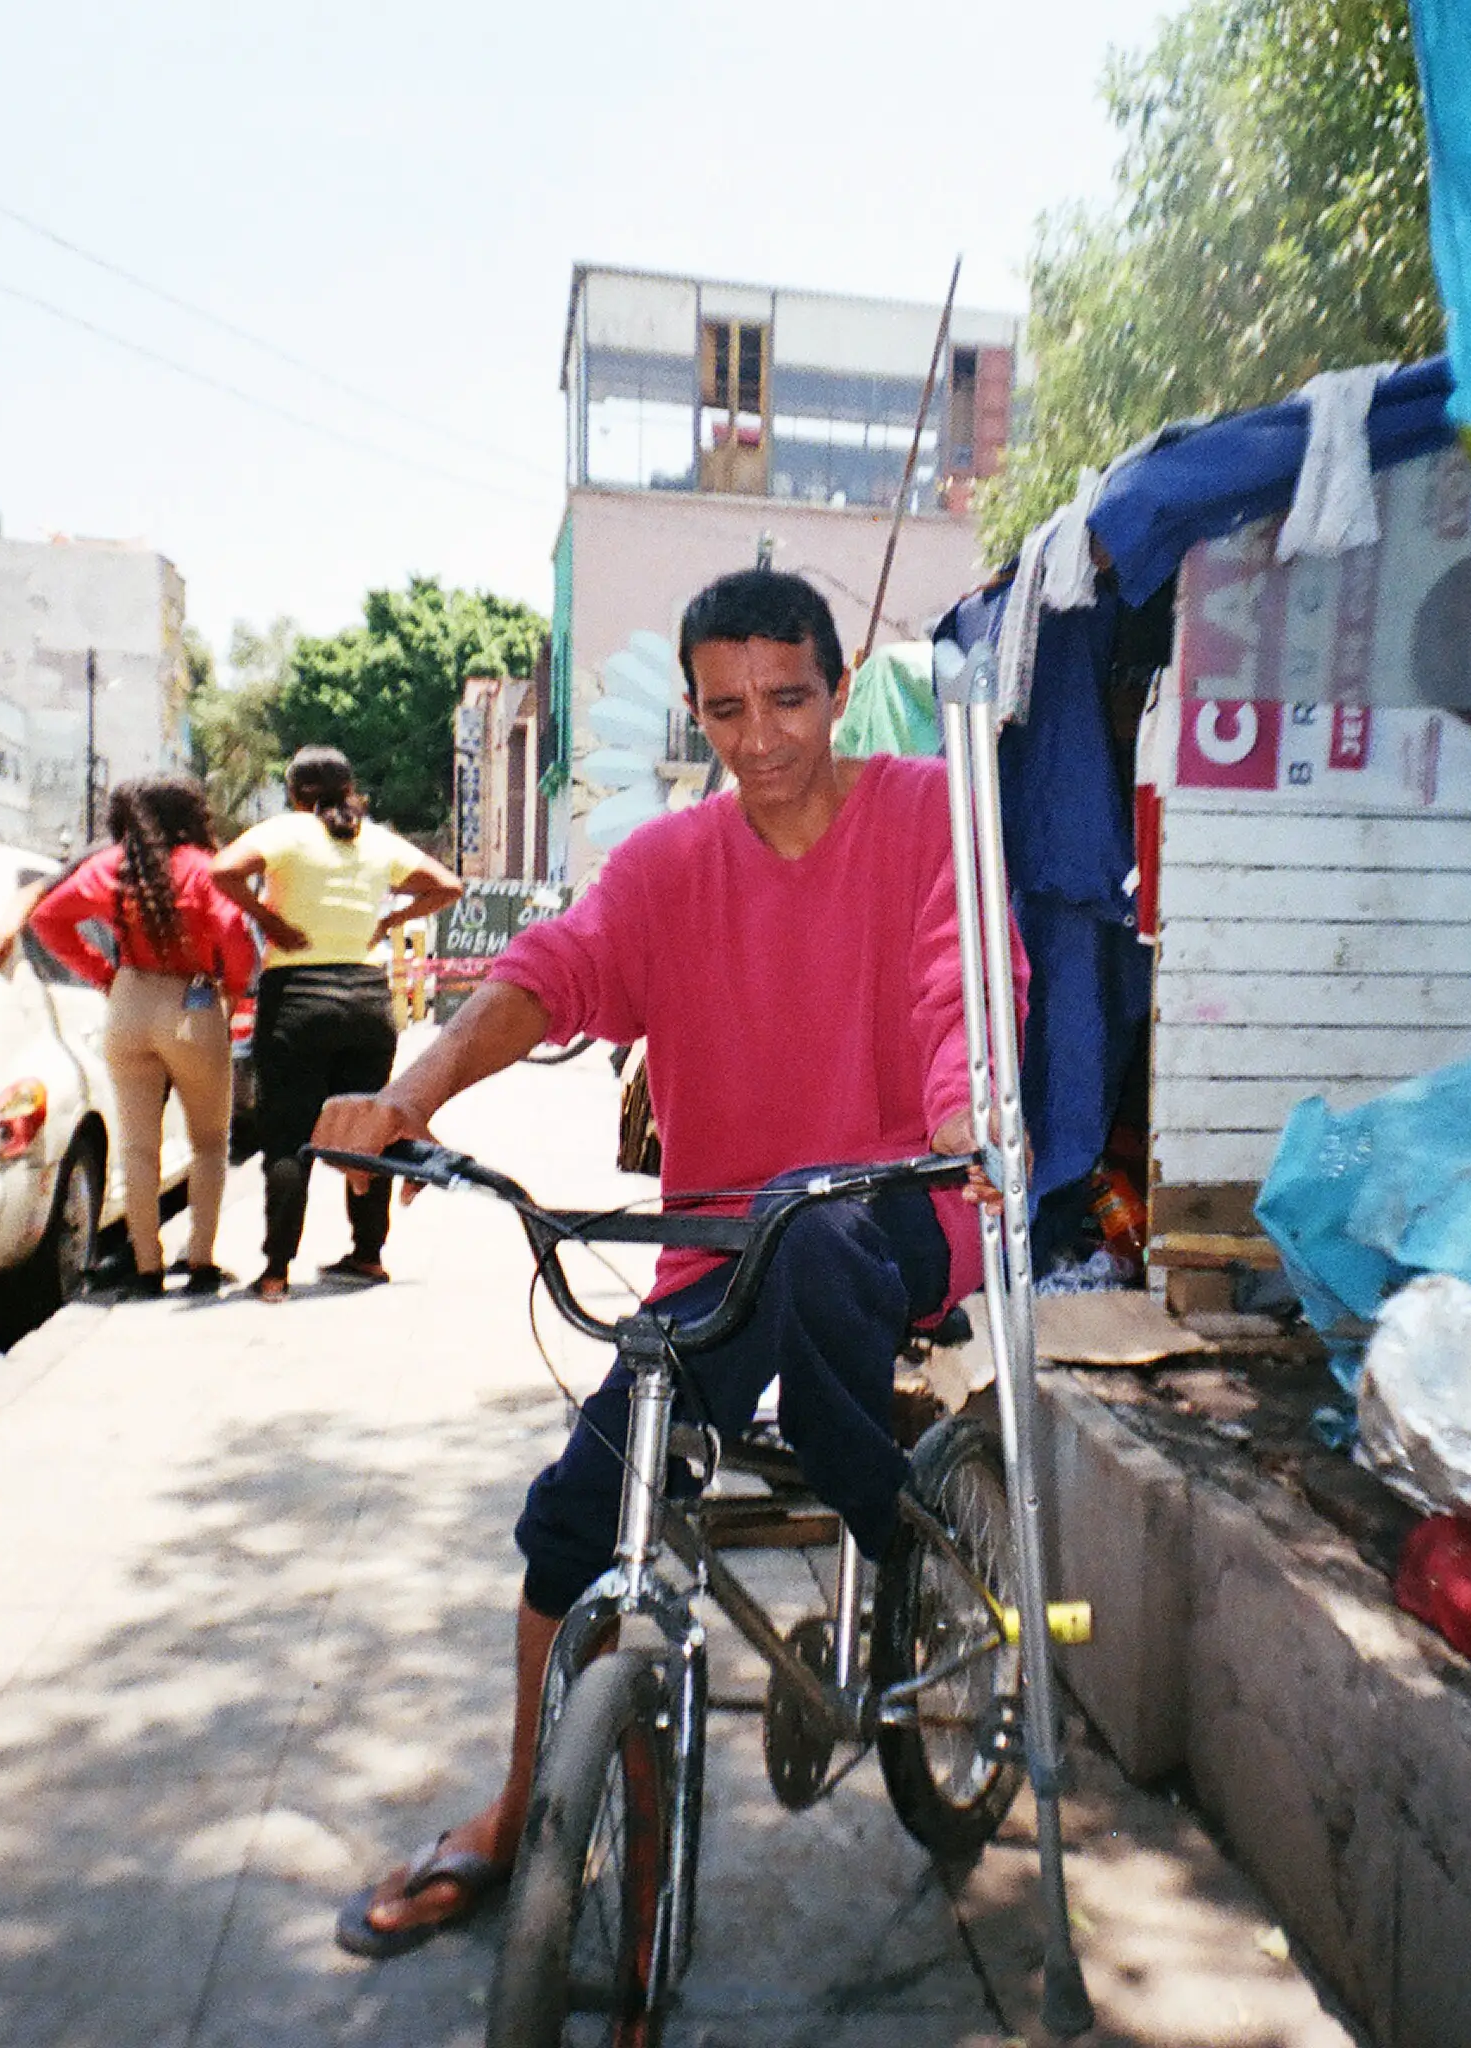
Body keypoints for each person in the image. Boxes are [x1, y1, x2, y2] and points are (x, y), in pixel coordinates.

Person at [313, 569, 1002, 1956]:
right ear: (696, 711)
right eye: (728, 709)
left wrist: (964, 1110)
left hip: (904, 1210)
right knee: (577, 1511)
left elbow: (962, 979)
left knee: (816, 1233)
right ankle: (520, 1815)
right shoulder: (670, 865)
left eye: (791, 699)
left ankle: (881, 1517)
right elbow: (552, 970)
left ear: (841, 678)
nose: (761, 738)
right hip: (726, 1256)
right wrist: (415, 1093)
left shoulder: (927, 811)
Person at [210, 748, 460, 1303]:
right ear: (349, 789)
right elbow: (449, 886)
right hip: (367, 1000)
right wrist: (390, 920)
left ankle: (276, 1271)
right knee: (368, 1126)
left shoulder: (285, 832)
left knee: (288, 1136)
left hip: (297, 999)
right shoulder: (377, 840)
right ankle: (368, 1255)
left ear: (294, 792)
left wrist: (269, 919)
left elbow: (222, 871)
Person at [27, 777, 254, 1296]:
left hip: (128, 1002)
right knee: (209, 1143)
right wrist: (233, 993)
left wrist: (105, 974)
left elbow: (47, 919)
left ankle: (147, 1268)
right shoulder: (204, 870)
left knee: (137, 1147)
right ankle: (199, 1262)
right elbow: (236, 938)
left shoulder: (113, 867)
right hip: (192, 1002)